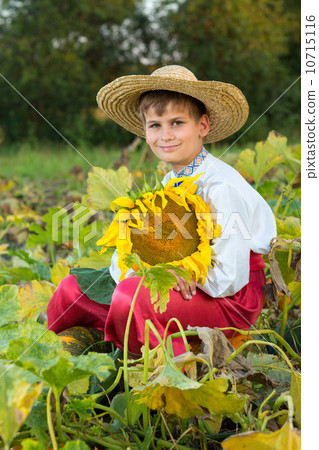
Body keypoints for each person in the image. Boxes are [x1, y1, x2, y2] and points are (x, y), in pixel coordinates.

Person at [47, 65, 276, 356]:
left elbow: (231, 276)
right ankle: (54, 363)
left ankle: (160, 369)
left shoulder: (221, 186)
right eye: (155, 125)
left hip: (229, 299)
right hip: (171, 285)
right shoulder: (167, 184)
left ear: (202, 126)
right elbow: (130, 254)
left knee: (133, 297)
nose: (165, 135)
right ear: (145, 131)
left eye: (177, 122)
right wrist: (148, 269)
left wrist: (176, 272)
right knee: (71, 290)